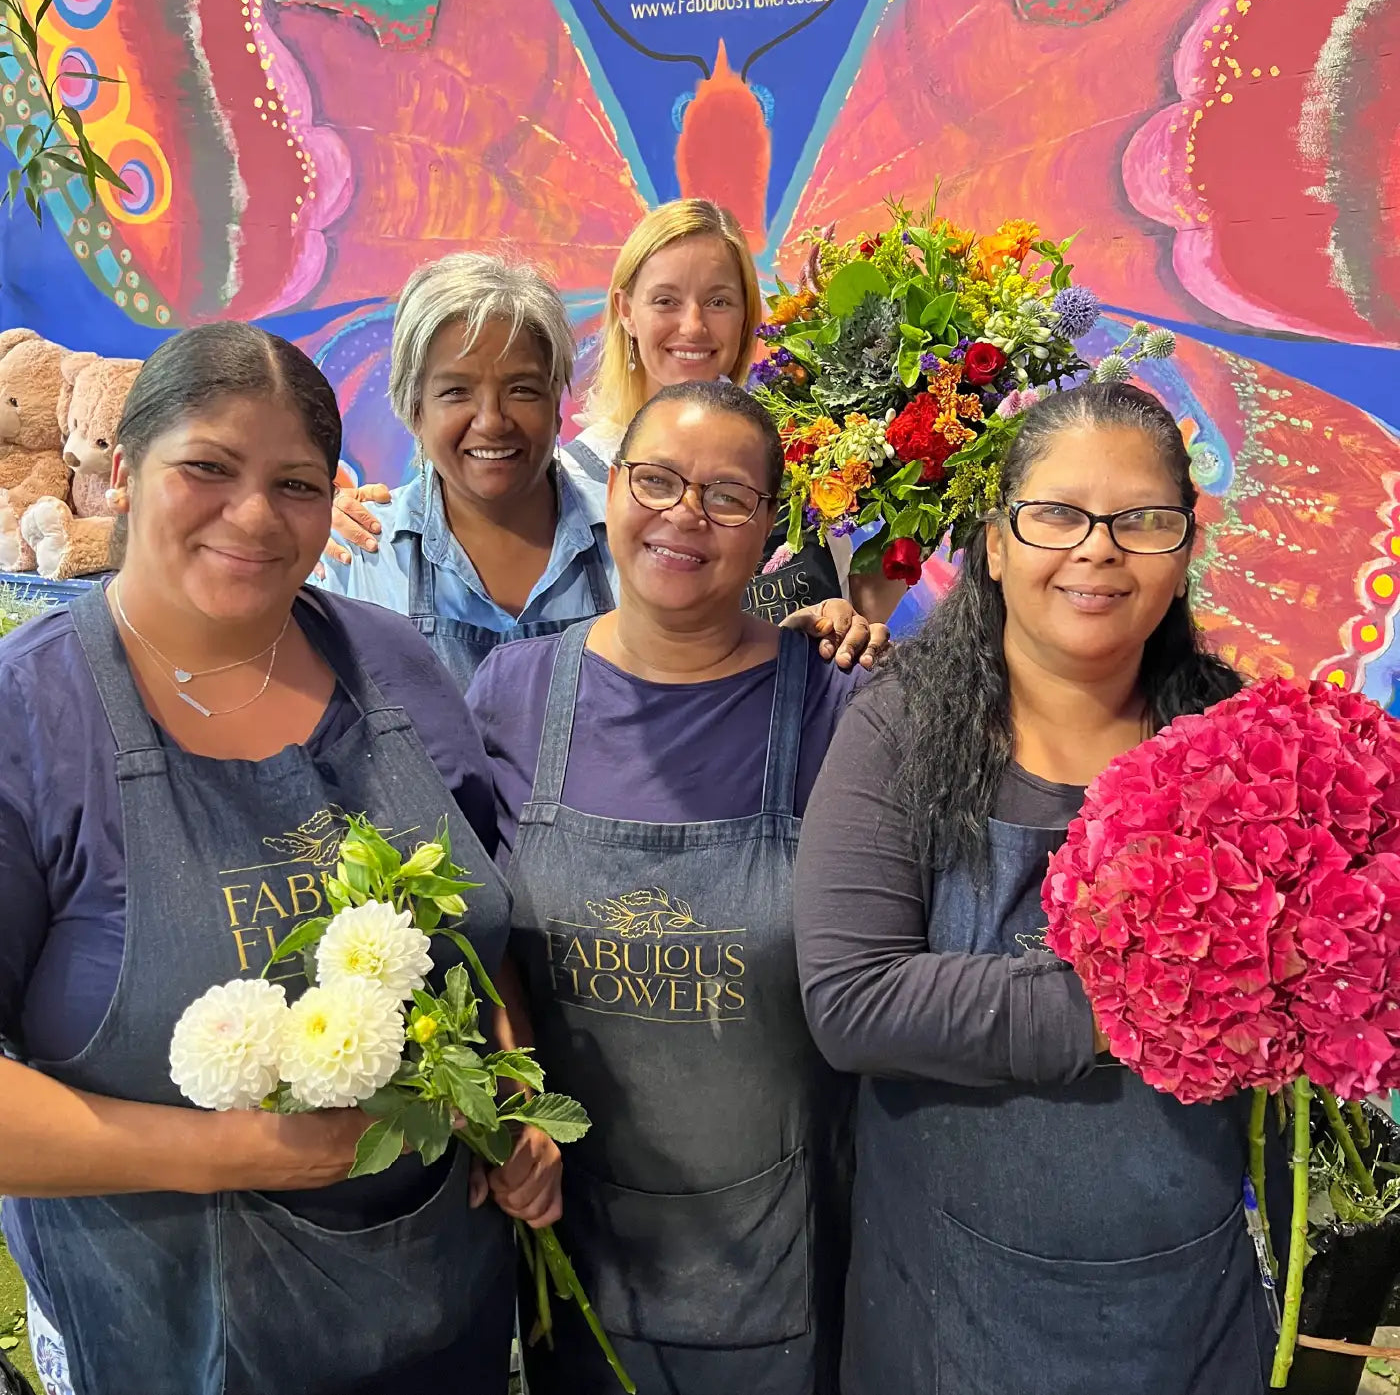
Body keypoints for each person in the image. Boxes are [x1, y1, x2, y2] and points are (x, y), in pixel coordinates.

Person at [0, 323, 558, 1394]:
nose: (253, 517)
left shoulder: (389, 663)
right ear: (121, 473)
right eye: (206, 468)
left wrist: (510, 1096)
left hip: (436, 1313)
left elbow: (480, 928)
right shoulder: (34, 717)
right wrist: (240, 1153)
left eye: (297, 484)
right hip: (160, 1333)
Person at [794, 382, 1274, 1395]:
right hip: (947, 1315)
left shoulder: (1239, 746)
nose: (1096, 550)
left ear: (1183, 548)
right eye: (1056, 514)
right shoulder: (900, 728)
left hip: (1181, 1309)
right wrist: (1135, 1002)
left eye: (1140, 520)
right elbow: (853, 1002)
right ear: (997, 542)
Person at [467, 381, 861, 1395]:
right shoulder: (511, 695)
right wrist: (509, 1086)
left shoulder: (834, 699)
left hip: (783, 1271)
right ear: (608, 491)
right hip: (569, 1255)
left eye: (727, 497)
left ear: (769, 527)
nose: (684, 515)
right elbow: (478, 936)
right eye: (656, 480)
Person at [317, 249, 885, 687]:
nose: (491, 421)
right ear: (412, 405)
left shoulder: (645, 537)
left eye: (521, 389)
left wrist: (797, 648)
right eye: (455, 392)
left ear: (559, 398)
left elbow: (710, 682)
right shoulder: (354, 562)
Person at [568, 197, 907, 624]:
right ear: (626, 311)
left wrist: (921, 511)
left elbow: (844, 607)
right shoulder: (576, 481)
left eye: (718, 302)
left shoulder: (802, 450)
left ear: (747, 315)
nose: (693, 326)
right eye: (665, 301)